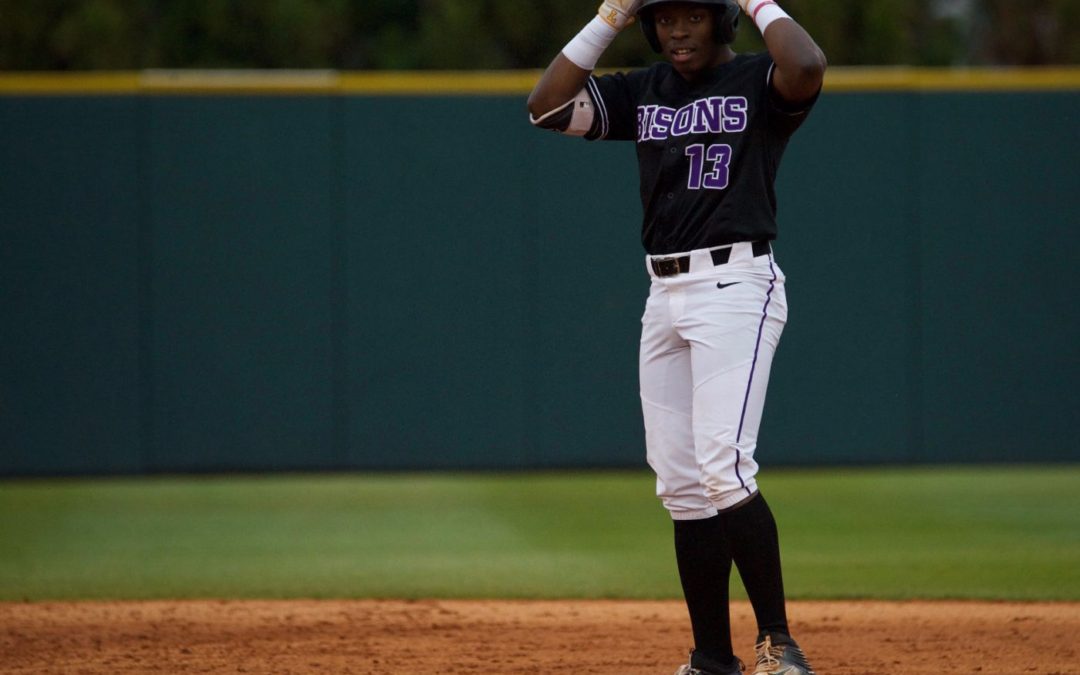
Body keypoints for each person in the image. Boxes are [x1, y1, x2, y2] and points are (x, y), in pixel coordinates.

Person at [527, 1, 826, 673]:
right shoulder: (644, 90)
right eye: (663, 20)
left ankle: (779, 644)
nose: (677, 32)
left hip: (735, 282)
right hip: (664, 292)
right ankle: (711, 658)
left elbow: (807, 64)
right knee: (682, 484)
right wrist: (610, 14)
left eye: (693, 16)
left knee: (724, 467)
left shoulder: (758, 80)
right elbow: (545, 106)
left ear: (723, 22)